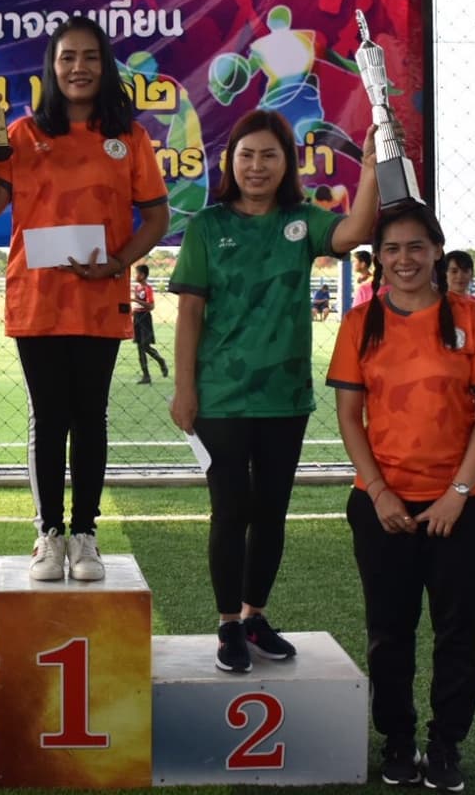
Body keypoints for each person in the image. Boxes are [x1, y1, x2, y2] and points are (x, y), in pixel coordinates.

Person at [170, 110, 378, 673]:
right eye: (246, 155)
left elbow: (355, 232)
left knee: (271, 512)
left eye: (268, 155)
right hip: (220, 397)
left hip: (285, 398)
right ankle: (227, 625)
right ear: (230, 162)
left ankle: (254, 616)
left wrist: (371, 165)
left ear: (287, 164)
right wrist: (184, 389)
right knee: (230, 510)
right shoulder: (207, 226)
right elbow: (189, 313)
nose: (256, 166)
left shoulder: (301, 221)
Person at [0, 15, 169, 583]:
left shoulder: (129, 137)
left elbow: (157, 219)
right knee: (49, 419)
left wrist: (118, 263)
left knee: (90, 417)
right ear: (51, 68)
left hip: (101, 299)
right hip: (38, 301)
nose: (79, 68)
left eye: (90, 57)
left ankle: (85, 535)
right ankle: (48, 534)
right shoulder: (22, 133)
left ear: (106, 67)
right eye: (67, 57)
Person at [326, 204, 475, 792]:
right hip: (384, 508)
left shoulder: (473, 316)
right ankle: (398, 740)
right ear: (378, 257)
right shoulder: (361, 322)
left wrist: (457, 494)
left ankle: (446, 743)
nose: (403, 259)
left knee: (458, 632)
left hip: (465, 506)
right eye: (391, 249)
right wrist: (379, 492)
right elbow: (349, 416)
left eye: (415, 247)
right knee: (389, 630)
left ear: (436, 251)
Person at [131, 264, 169, 384]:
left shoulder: (147, 289)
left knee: (145, 345)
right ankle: (146, 376)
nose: (135, 276)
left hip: (145, 318)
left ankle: (161, 361)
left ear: (142, 275)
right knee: (139, 347)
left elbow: (151, 306)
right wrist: (132, 313)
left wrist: (135, 300)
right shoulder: (137, 288)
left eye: (136, 273)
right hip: (137, 317)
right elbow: (136, 305)